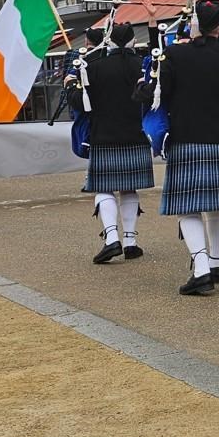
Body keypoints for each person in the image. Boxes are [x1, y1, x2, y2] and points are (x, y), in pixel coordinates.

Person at [152, 1, 219, 297]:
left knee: (188, 207)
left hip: (186, 137)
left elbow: (163, 94)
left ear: (196, 25)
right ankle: (216, 262)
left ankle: (201, 270)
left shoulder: (175, 54)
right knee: (217, 204)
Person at [82, 23, 153, 264]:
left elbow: (82, 103)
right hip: (137, 133)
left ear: (109, 41)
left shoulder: (95, 67)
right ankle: (131, 242)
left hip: (104, 134)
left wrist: (72, 81)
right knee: (129, 188)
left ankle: (112, 238)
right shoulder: (142, 65)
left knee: (104, 189)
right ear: (133, 41)